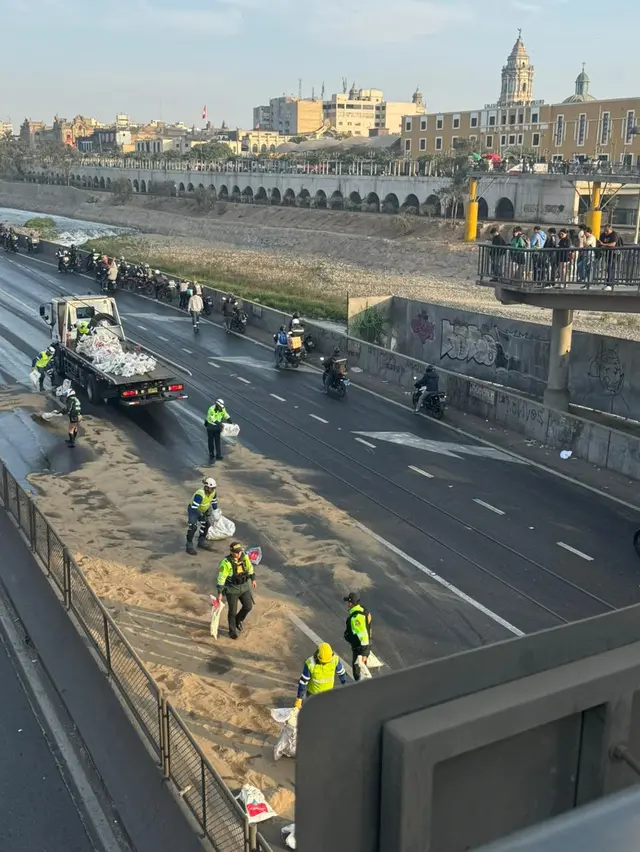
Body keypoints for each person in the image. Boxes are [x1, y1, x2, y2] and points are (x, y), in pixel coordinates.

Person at [216, 541, 256, 640]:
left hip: (244, 587)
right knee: (232, 611)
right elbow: (221, 578)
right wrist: (220, 592)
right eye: (236, 552)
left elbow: (250, 568)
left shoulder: (244, 557)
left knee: (248, 606)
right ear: (231, 552)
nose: (239, 554)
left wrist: (253, 579)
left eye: (239, 552)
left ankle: (238, 620)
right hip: (232, 589)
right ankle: (232, 631)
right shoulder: (226, 563)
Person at [294, 643, 347, 708]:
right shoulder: (310, 663)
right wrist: (299, 698)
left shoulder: (334, 660)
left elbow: (341, 673)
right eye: (323, 662)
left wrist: (345, 685)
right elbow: (303, 682)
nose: (325, 663)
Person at [343, 592, 372, 682]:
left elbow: (363, 636)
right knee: (360, 669)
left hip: (359, 648)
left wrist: (364, 653)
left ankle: (361, 688)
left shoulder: (356, 618)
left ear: (351, 603)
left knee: (358, 671)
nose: (347, 604)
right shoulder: (363, 610)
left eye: (348, 602)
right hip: (361, 647)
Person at [185, 477, 217, 555]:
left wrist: (216, 511)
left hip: (203, 510)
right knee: (193, 527)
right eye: (211, 488)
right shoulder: (199, 494)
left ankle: (201, 542)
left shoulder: (213, 492)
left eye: (213, 488)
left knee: (206, 524)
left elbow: (214, 502)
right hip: (193, 511)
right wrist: (201, 515)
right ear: (206, 487)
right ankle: (189, 546)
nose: (212, 490)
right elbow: (194, 507)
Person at [204, 398, 231, 463]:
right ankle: (211, 454)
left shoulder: (222, 409)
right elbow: (213, 419)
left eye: (221, 407)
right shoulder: (211, 409)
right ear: (217, 405)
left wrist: (231, 422)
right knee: (211, 441)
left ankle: (218, 455)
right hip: (210, 426)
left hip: (217, 427)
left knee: (217, 441)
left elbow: (226, 415)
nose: (221, 408)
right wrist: (221, 424)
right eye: (220, 407)